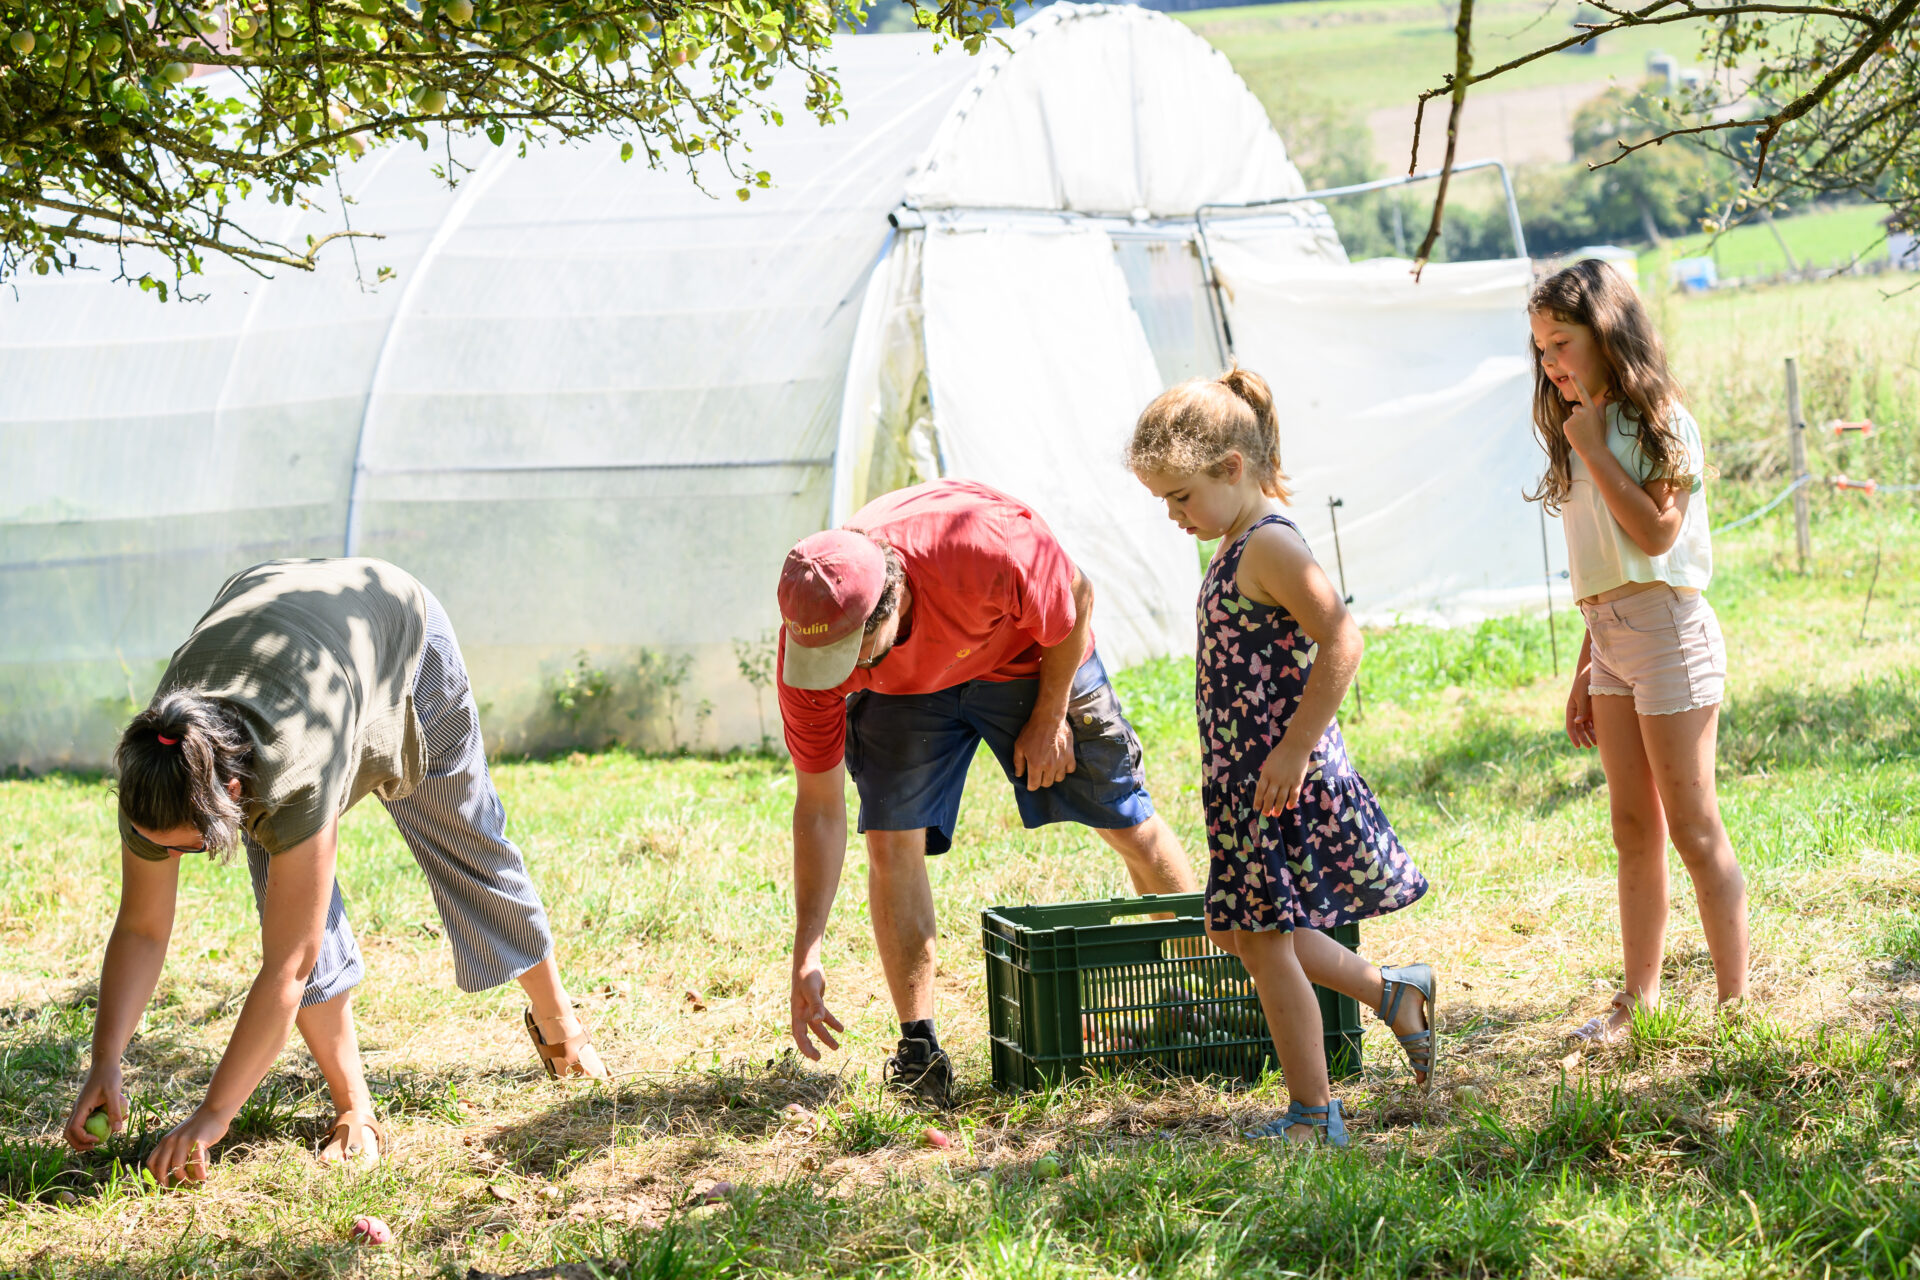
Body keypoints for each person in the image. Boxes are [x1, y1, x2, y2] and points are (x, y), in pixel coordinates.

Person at [64, 558, 606, 1187]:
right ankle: (356, 1107)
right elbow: (142, 929)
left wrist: (213, 1116)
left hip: (393, 634)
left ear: (234, 794)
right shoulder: (158, 766)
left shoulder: (291, 766)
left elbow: (289, 966)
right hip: (284, 637)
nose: (173, 860)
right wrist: (105, 1060)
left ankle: (560, 1023)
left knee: (465, 838)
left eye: (189, 848)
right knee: (285, 896)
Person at [779, 479, 1200, 1104]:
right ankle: (919, 1049)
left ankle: (1196, 998)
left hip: (1030, 653)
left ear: (888, 607)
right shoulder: (813, 640)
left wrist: (1050, 716)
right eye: (826, 659)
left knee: (1128, 822)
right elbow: (818, 809)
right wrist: (805, 951)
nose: (837, 676)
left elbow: (1076, 597)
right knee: (891, 840)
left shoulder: (986, 548)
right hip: (905, 691)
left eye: (853, 654)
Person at [1129, 368, 1436, 1147]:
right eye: (1164, 500)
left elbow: (1342, 638)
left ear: (1233, 468)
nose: (1173, 515)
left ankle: (1313, 1114)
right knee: (1241, 929)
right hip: (1244, 778)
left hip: (1276, 777)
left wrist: (1296, 749)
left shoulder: (1267, 543)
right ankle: (1392, 992)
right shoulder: (1237, 537)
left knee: (1262, 941)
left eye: (1181, 496)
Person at [1528, 260, 1749, 1043]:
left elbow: (1656, 536)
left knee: (1692, 827)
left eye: (1563, 342)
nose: (1551, 362)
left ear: (1607, 332)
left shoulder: (1659, 421)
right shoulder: (1575, 424)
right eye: (1541, 348)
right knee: (1631, 826)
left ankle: (1735, 1007)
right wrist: (1588, 664)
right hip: (1612, 638)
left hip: (1668, 632)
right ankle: (1639, 1000)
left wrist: (1592, 446)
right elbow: (1599, 560)